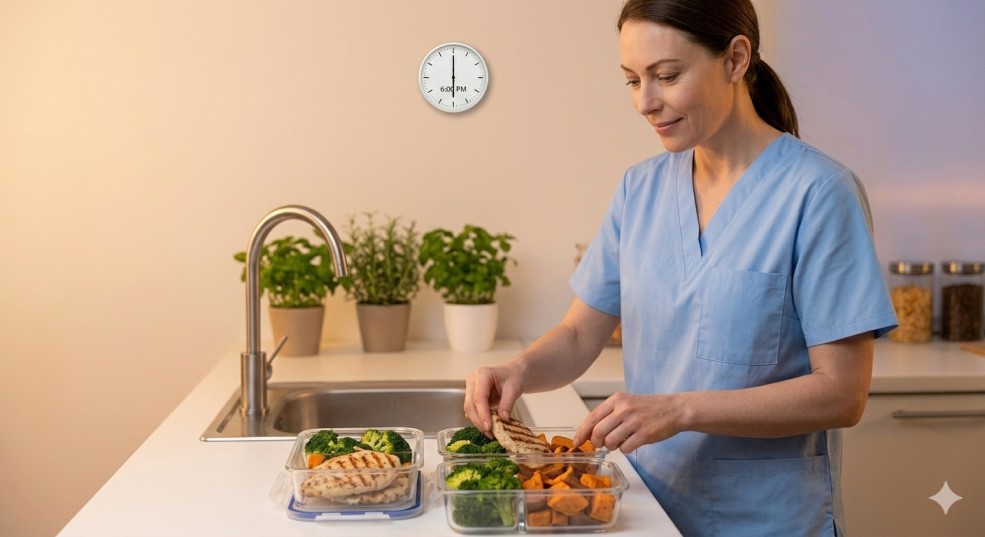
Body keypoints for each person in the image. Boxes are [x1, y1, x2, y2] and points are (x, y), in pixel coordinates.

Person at [463, 0, 899, 535]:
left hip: (766, 518)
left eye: (666, 76)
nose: (645, 102)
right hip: (647, 509)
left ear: (736, 59)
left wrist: (681, 409)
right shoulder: (639, 189)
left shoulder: (819, 193)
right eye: (631, 80)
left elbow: (841, 393)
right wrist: (520, 371)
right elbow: (579, 334)